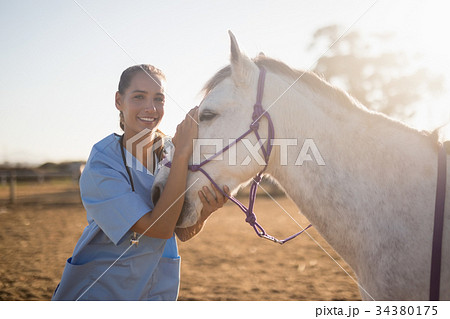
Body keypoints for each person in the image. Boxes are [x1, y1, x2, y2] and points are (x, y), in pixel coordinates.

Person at [52, 64, 229, 301]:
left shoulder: (171, 151)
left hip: (154, 293)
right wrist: (182, 156)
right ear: (118, 101)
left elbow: (180, 232)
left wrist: (205, 212)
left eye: (159, 99)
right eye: (139, 97)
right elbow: (159, 229)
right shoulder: (102, 164)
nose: (151, 108)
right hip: (101, 291)